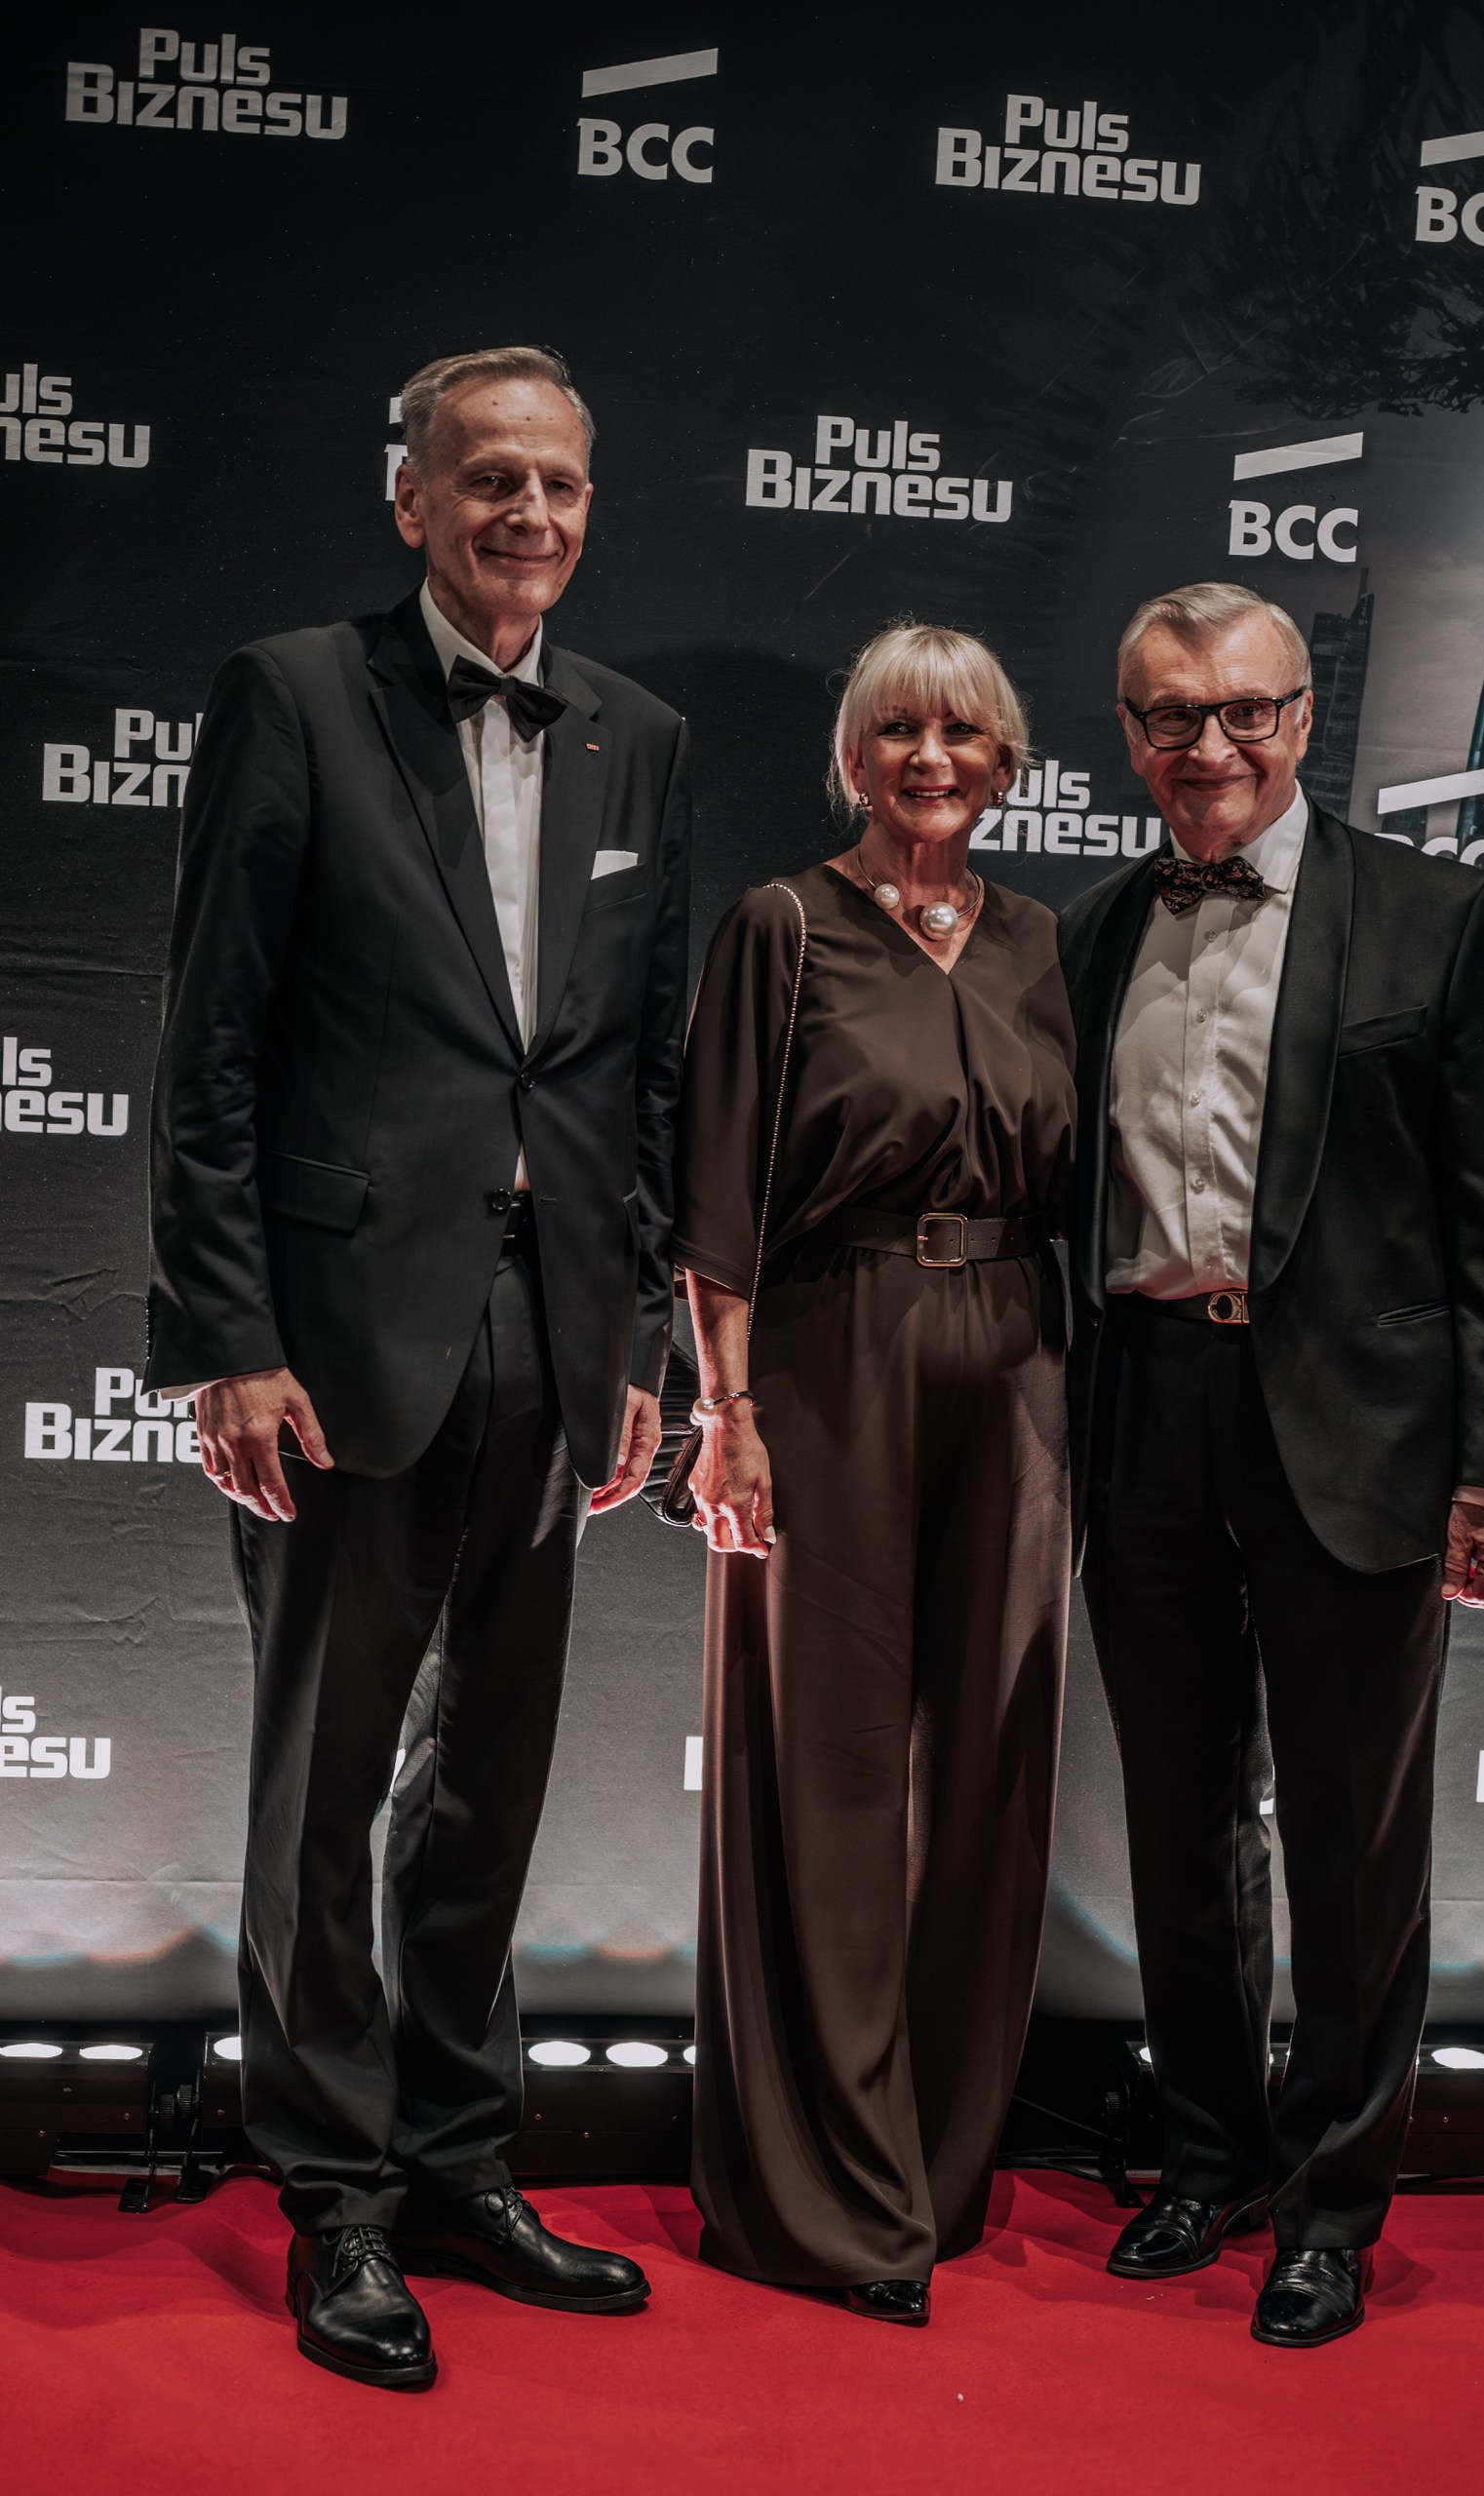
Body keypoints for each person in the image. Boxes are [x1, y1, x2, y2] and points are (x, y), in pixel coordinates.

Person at [144, 345, 690, 2390]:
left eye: (559, 482)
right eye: (489, 478)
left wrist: (636, 1336)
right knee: (326, 1786)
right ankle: (334, 2191)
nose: (528, 513)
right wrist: (228, 1339)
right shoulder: (294, 695)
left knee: (490, 1779)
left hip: (555, 1341)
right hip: (343, 1342)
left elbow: (638, 1077)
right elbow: (208, 1050)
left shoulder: (641, 735)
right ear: (411, 499)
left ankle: (460, 2158)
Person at [1060, 581, 1484, 2349]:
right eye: (1171, 715)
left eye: (1245, 710)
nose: (1210, 745)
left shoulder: (1434, 913)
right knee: (1180, 1823)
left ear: (1303, 718)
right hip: (1146, 1416)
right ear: (1130, 732)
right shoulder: (1088, 932)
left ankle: (1333, 2204)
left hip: (1364, 1434)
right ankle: (1209, 2155)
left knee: (1351, 1840)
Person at [674, 624, 1074, 2324]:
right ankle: (822, 2192)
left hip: (1021, 1358)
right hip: (827, 1355)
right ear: (851, 757)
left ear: (1007, 763)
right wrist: (727, 1411)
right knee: (822, 1769)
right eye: (897, 728)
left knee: (992, 1760)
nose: (931, 758)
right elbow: (714, 1201)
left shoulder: (1046, 939)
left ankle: (940, 2157)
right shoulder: (782, 927)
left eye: (963, 732)